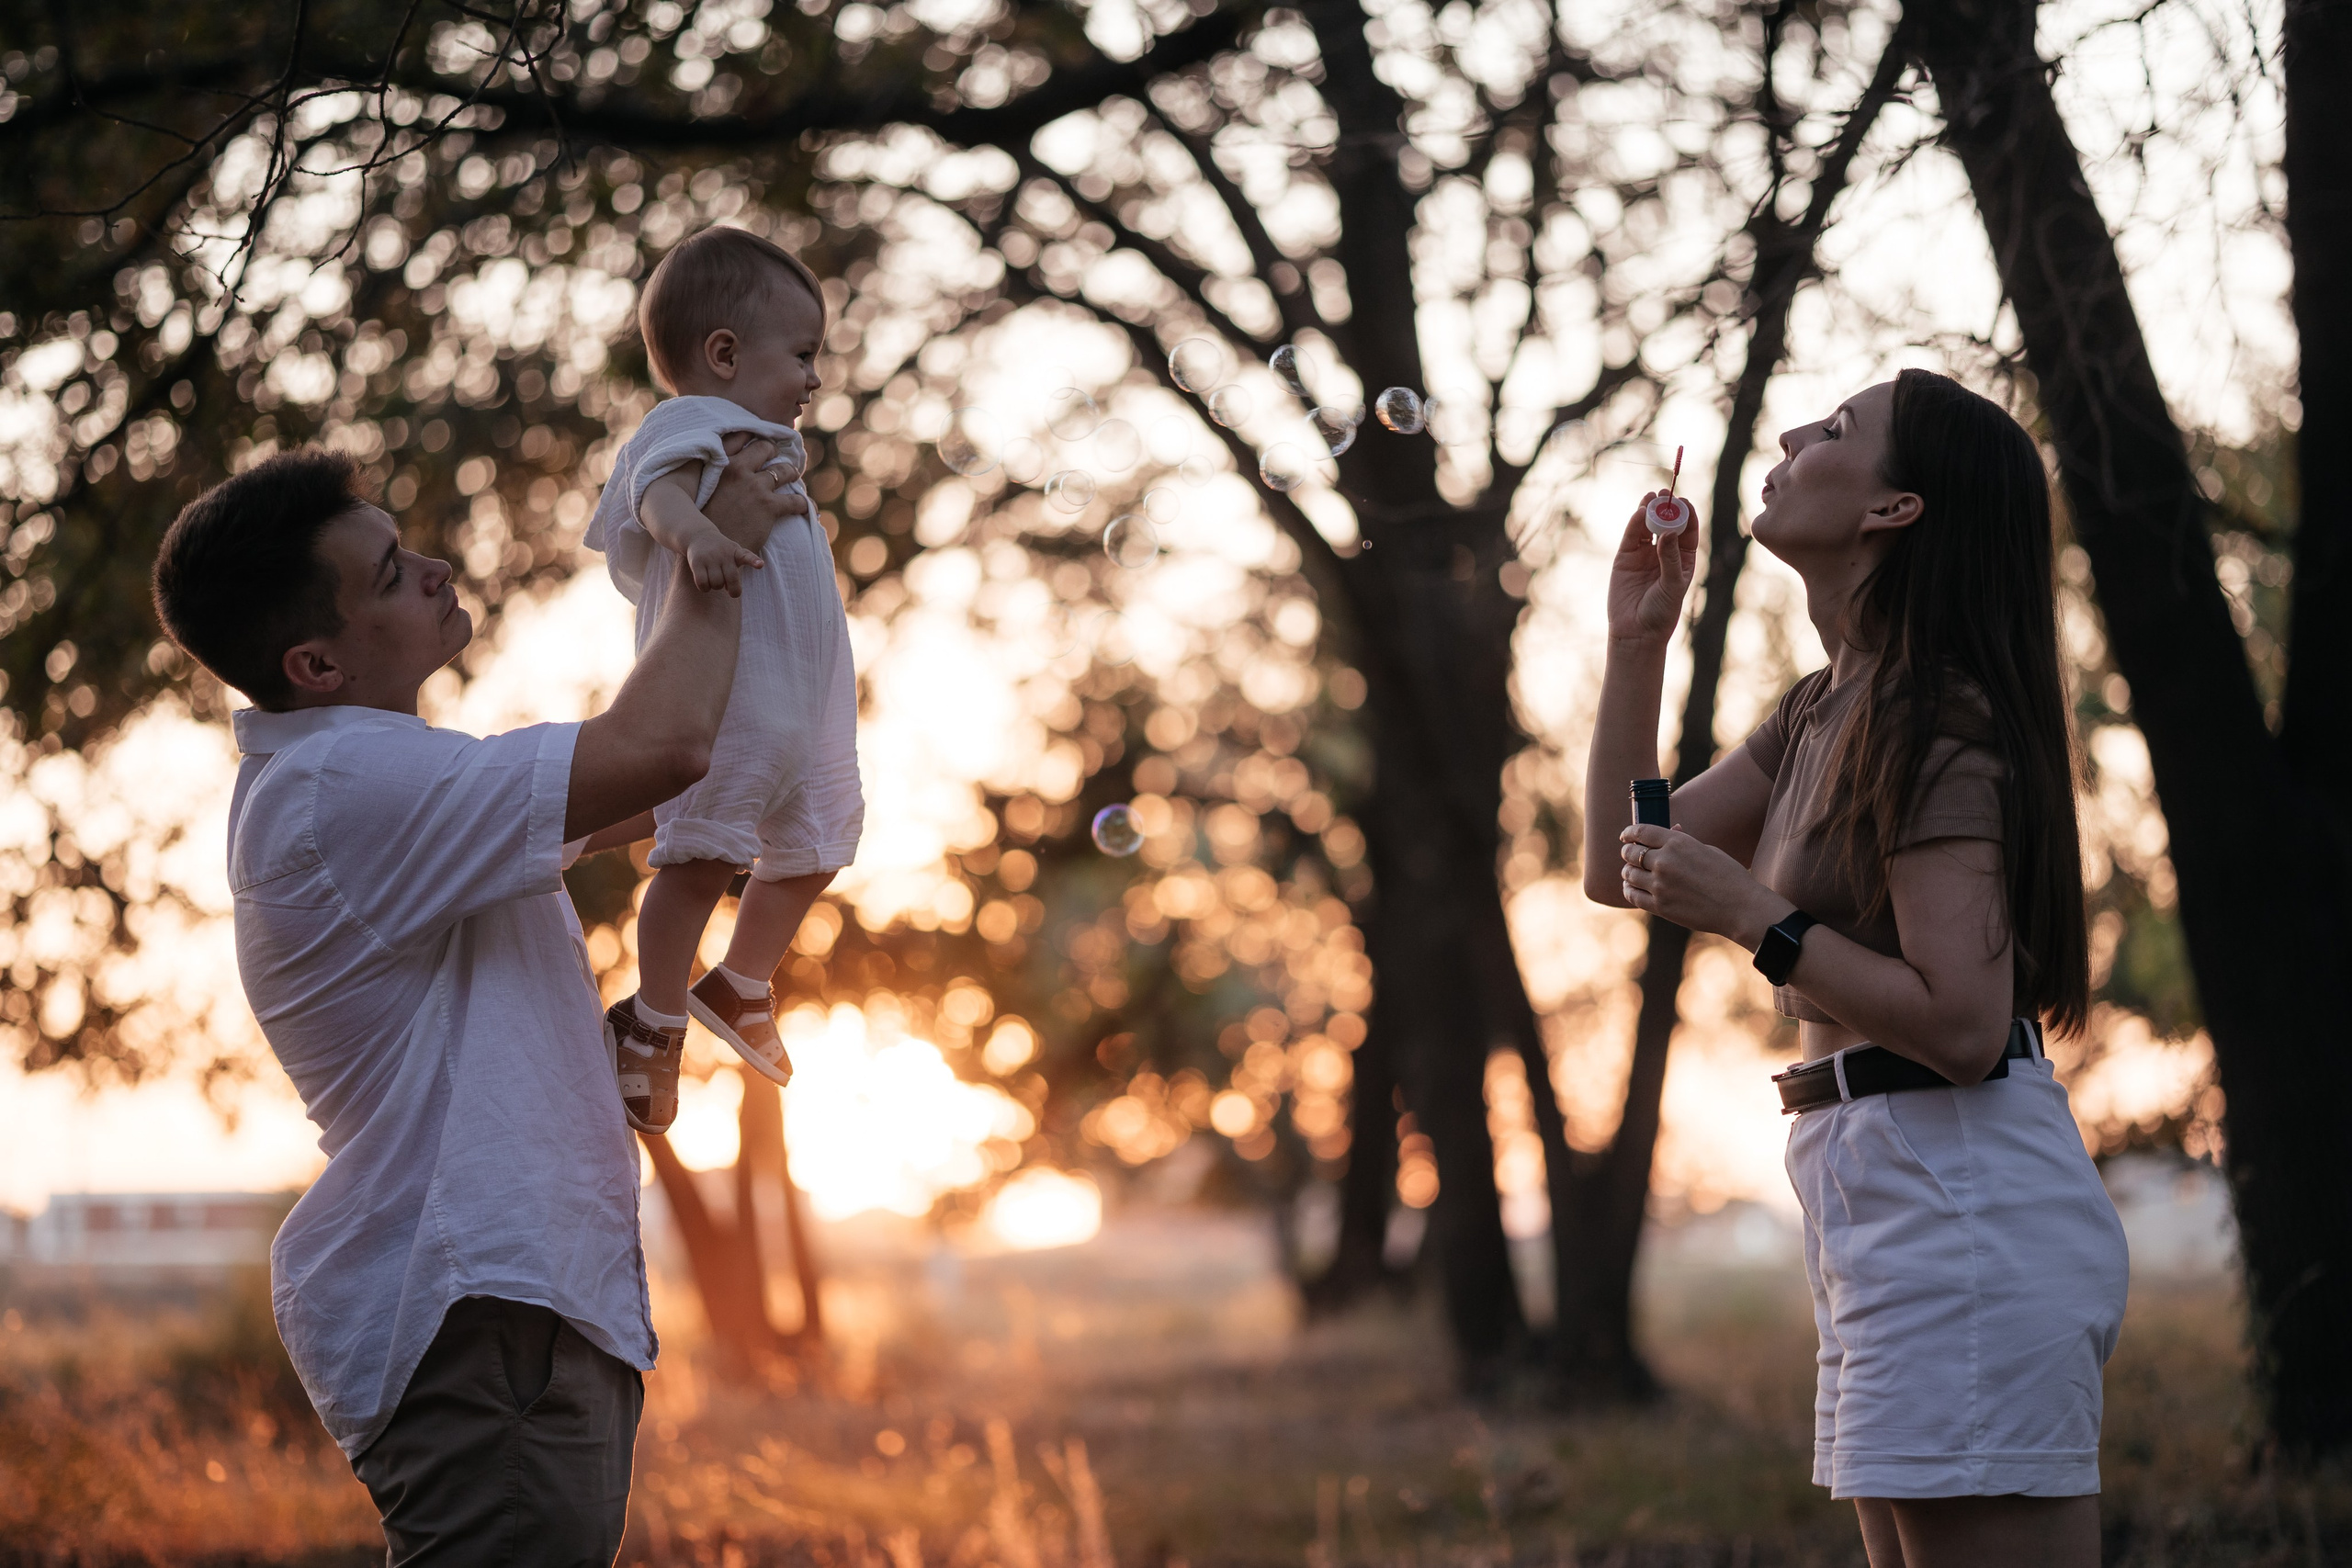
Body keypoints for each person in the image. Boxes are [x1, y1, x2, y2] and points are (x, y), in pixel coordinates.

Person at [150, 440, 804, 1562]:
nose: (438, 568)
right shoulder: (344, 785)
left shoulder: (374, 780)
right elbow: (663, 746)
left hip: (508, 1314)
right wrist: (711, 541)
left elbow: (645, 787)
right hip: (483, 1318)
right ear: (315, 665)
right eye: (395, 571)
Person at [1581, 369, 2130, 1568]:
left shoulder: (1939, 721)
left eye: (1835, 430)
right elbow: (1625, 863)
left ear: (1894, 509)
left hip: (1958, 1190)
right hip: (1872, 1181)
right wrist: (1638, 645)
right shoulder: (1823, 707)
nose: (1788, 435)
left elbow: (1968, 1024)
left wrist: (1756, 917)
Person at [582, 225, 863, 1134]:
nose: (814, 378)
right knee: (701, 854)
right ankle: (652, 1015)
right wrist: (695, 534)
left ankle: (739, 982)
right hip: (738, 693)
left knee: (821, 843)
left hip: (806, 699)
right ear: (725, 354)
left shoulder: (767, 439)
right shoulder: (688, 422)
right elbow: (651, 495)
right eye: (803, 355)